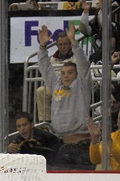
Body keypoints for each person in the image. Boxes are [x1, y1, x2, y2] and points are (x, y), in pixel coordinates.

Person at [38, 24, 93, 167]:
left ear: (76, 74)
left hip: (82, 145)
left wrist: (74, 42)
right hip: (63, 144)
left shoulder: (81, 86)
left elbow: (83, 65)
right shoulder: (56, 85)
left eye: (70, 72)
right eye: (62, 73)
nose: (66, 76)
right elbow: (45, 68)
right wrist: (42, 47)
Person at [36, 31, 77, 122]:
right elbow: (46, 72)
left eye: (65, 44)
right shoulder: (52, 59)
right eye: (60, 44)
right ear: (57, 45)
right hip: (56, 87)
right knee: (41, 91)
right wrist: (42, 46)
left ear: (70, 44)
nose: (63, 46)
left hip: (74, 88)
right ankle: (45, 123)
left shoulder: (77, 57)